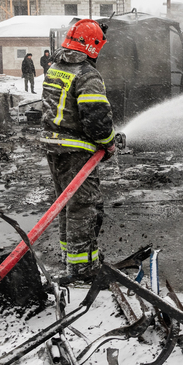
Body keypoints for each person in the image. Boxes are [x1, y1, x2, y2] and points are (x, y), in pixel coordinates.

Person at [40, 19, 115, 279]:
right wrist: (108, 142)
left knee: (66, 205)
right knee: (84, 208)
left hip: (54, 148)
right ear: (92, 46)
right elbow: (96, 118)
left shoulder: (55, 68)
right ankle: (83, 269)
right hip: (76, 152)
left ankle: (71, 258)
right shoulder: (86, 75)